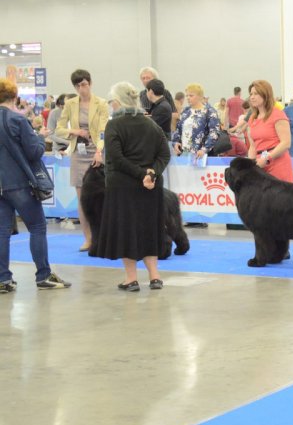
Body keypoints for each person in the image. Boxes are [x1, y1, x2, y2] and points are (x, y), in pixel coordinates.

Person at [94, 82, 171, 292]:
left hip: (123, 187)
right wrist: (151, 173)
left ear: (117, 102)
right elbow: (164, 154)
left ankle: (131, 278)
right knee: (150, 228)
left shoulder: (114, 125)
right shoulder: (151, 124)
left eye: (111, 102)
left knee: (126, 230)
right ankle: (155, 277)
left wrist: (141, 174)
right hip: (151, 187)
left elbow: (116, 158)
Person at [0, 78, 72, 293]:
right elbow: (34, 152)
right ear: (15, 98)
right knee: (37, 227)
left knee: (2, 231)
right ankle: (43, 275)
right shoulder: (18, 120)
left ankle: (3, 278)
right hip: (20, 182)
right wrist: (40, 138)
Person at [55, 69, 109, 252]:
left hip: (97, 152)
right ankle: (88, 238)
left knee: (102, 196)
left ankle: (104, 236)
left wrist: (99, 151)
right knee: (82, 198)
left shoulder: (101, 103)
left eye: (84, 84)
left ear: (90, 83)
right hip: (79, 153)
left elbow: (103, 130)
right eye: (78, 86)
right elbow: (59, 129)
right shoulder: (70, 104)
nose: (81, 88)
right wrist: (74, 131)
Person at [247, 80, 293, 182]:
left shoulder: (278, 115)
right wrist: (251, 165)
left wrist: (267, 158)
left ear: (265, 95)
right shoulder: (252, 118)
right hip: (259, 165)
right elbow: (252, 146)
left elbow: (286, 143)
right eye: (251, 94)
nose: (252, 97)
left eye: (256, 93)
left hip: (278, 164)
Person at [171, 83, 221, 162]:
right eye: (187, 96)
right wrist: (175, 142)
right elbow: (178, 128)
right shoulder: (185, 111)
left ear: (200, 97)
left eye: (191, 96)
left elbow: (214, 133)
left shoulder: (209, 111)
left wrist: (204, 149)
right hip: (184, 152)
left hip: (201, 154)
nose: (188, 98)